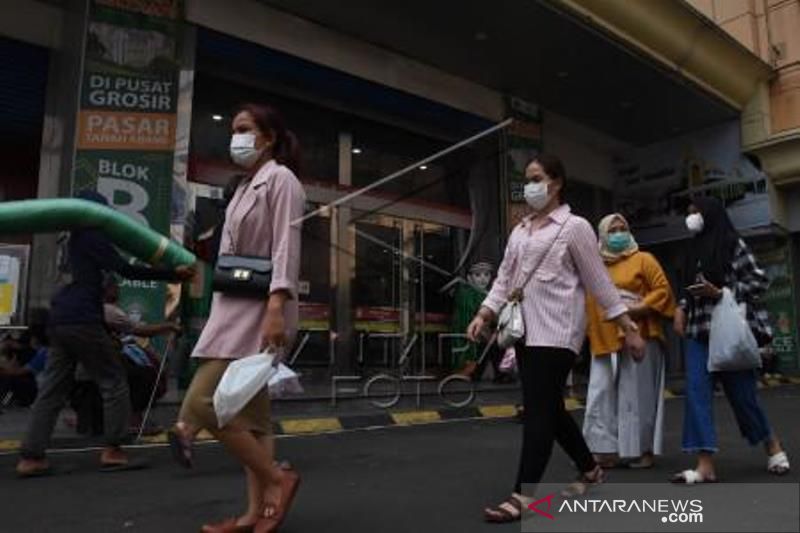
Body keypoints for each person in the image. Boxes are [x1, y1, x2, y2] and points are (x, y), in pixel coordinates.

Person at [467, 153, 645, 523]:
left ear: (556, 182)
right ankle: (590, 468)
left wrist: (627, 327)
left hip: (560, 332)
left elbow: (599, 282)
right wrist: (484, 313)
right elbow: (504, 279)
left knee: (538, 412)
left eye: (536, 178)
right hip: (525, 333)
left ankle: (523, 495)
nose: (530, 185)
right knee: (550, 408)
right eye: (527, 179)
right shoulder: (521, 230)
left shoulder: (574, 227)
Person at [168, 103, 306, 533]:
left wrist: (276, 308)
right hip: (231, 307)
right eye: (233, 130)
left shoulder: (281, 180)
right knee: (253, 419)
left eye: (244, 129)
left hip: (261, 310)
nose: (236, 138)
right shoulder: (244, 187)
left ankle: (276, 479)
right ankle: (253, 514)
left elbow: (286, 246)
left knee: (201, 404)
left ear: (268, 137)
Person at [15, 190, 194, 477]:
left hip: (59, 318)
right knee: (114, 381)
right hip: (83, 318)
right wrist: (173, 274)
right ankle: (113, 449)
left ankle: (31, 456)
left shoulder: (70, 239)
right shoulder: (92, 237)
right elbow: (126, 270)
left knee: (52, 389)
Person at [672, 197, 790, 483]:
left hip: (729, 332)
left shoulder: (732, 244)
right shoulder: (692, 250)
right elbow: (689, 290)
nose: (692, 218)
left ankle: (771, 444)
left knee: (742, 397)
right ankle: (705, 464)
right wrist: (681, 307)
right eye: (689, 213)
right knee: (697, 393)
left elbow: (759, 280)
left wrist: (722, 291)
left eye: (696, 212)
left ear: (710, 214)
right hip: (700, 332)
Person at [584, 214, 676, 469]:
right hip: (604, 337)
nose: (618, 233)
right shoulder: (594, 266)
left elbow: (663, 291)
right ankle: (604, 450)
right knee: (600, 394)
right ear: (602, 235)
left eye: (622, 228)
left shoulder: (644, 259)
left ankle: (643, 450)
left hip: (642, 335)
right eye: (612, 230)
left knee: (639, 397)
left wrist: (636, 308)